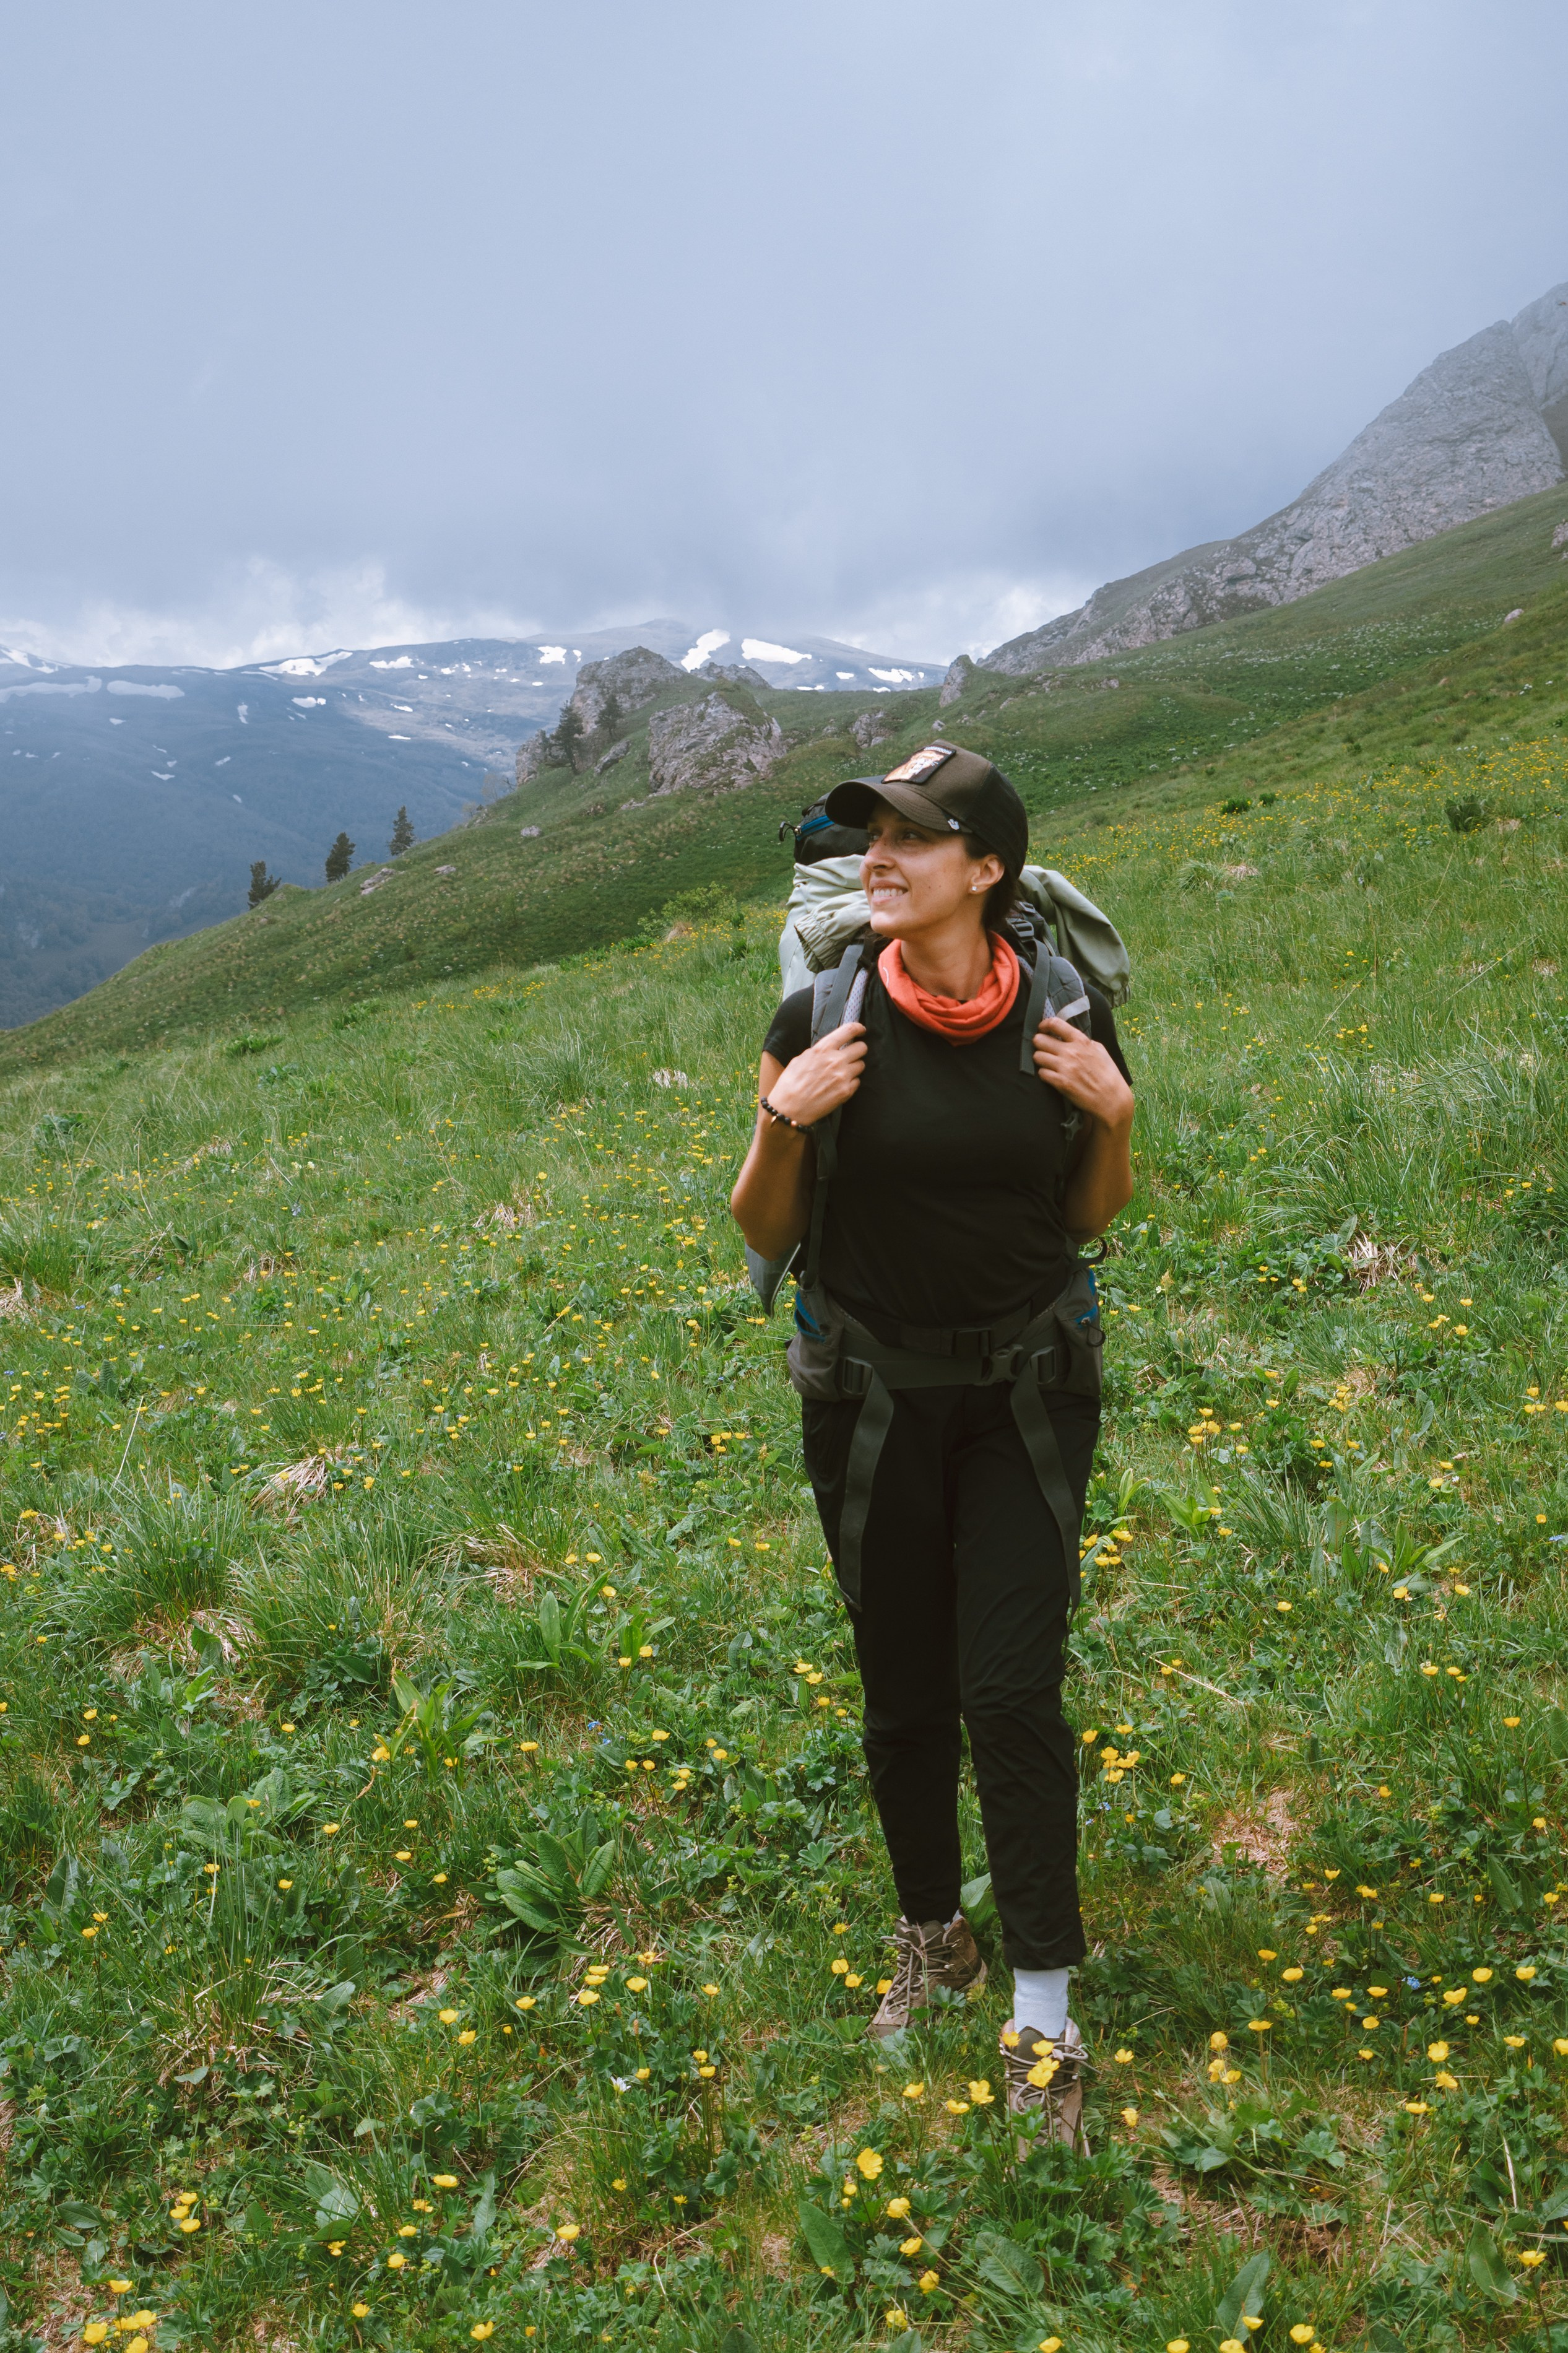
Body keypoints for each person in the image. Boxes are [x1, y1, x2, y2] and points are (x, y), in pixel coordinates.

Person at [729, 745, 1134, 2147]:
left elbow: (1085, 1218)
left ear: (987, 869)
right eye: (866, 838)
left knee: (1010, 1692)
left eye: (909, 839)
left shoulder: (1066, 1019)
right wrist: (787, 1117)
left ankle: (1042, 2015)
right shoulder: (816, 1015)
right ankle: (930, 1934)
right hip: (869, 1399)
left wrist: (1116, 1115)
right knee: (903, 1689)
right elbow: (760, 1230)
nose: (876, 860)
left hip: (1027, 1393)